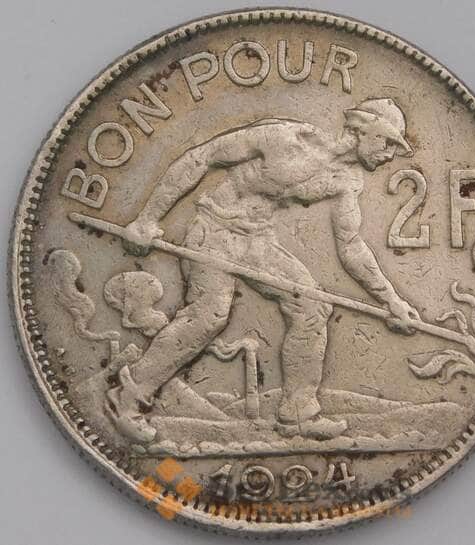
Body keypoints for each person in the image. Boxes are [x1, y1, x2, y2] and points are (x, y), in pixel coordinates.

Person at [106, 98, 421, 443]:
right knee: (208, 315)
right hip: (214, 228)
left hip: (258, 240)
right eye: (388, 142)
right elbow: (202, 157)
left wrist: (391, 300)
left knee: (312, 307)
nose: (391, 154)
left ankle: (298, 413)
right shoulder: (286, 138)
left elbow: (351, 246)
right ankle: (129, 396)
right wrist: (147, 218)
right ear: (363, 129)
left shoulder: (348, 180)